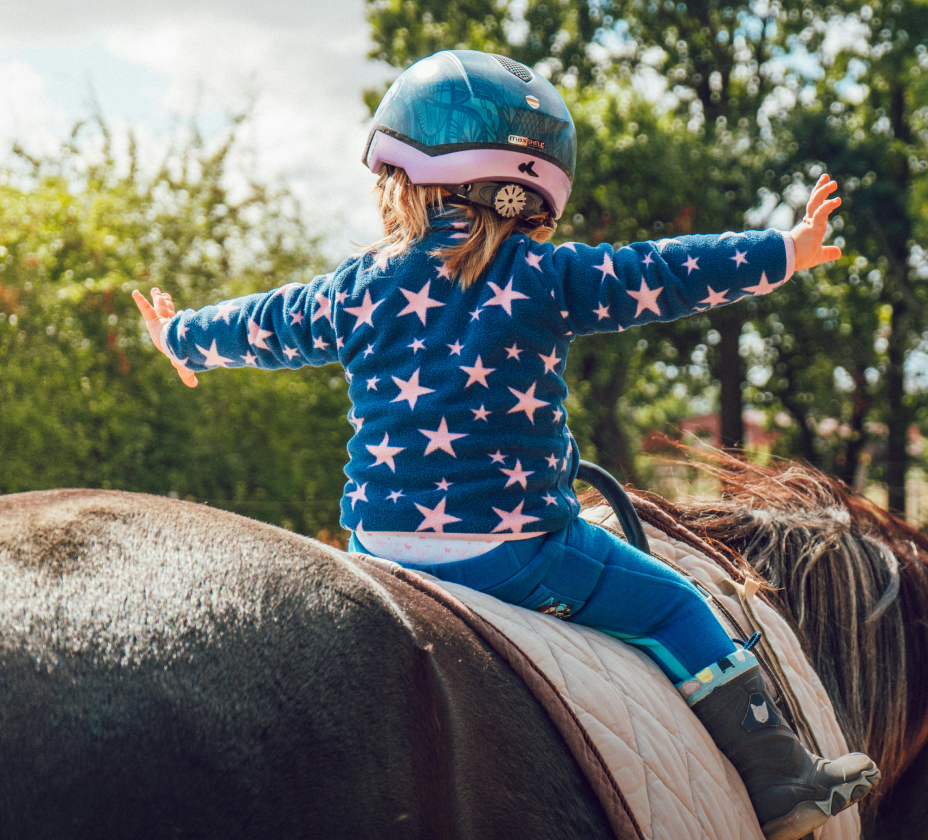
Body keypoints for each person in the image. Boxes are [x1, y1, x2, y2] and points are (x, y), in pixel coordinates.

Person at [132, 49, 877, 840]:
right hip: (516, 552)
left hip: (377, 551)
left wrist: (181, 337)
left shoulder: (355, 285)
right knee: (674, 604)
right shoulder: (543, 275)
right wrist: (784, 252)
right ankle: (784, 782)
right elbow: (662, 270)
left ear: (401, 179)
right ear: (532, 192)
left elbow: (268, 324)